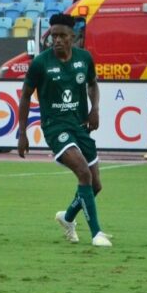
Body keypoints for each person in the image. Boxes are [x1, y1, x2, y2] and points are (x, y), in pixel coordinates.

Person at [18, 13, 111, 247]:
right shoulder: (41, 63)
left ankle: (67, 218)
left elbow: (92, 84)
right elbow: (26, 96)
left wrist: (95, 109)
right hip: (55, 127)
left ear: (73, 37)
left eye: (62, 36)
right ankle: (97, 233)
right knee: (84, 173)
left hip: (80, 126)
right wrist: (22, 132)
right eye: (53, 36)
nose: (56, 40)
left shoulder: (84, 58)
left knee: (96, 185)